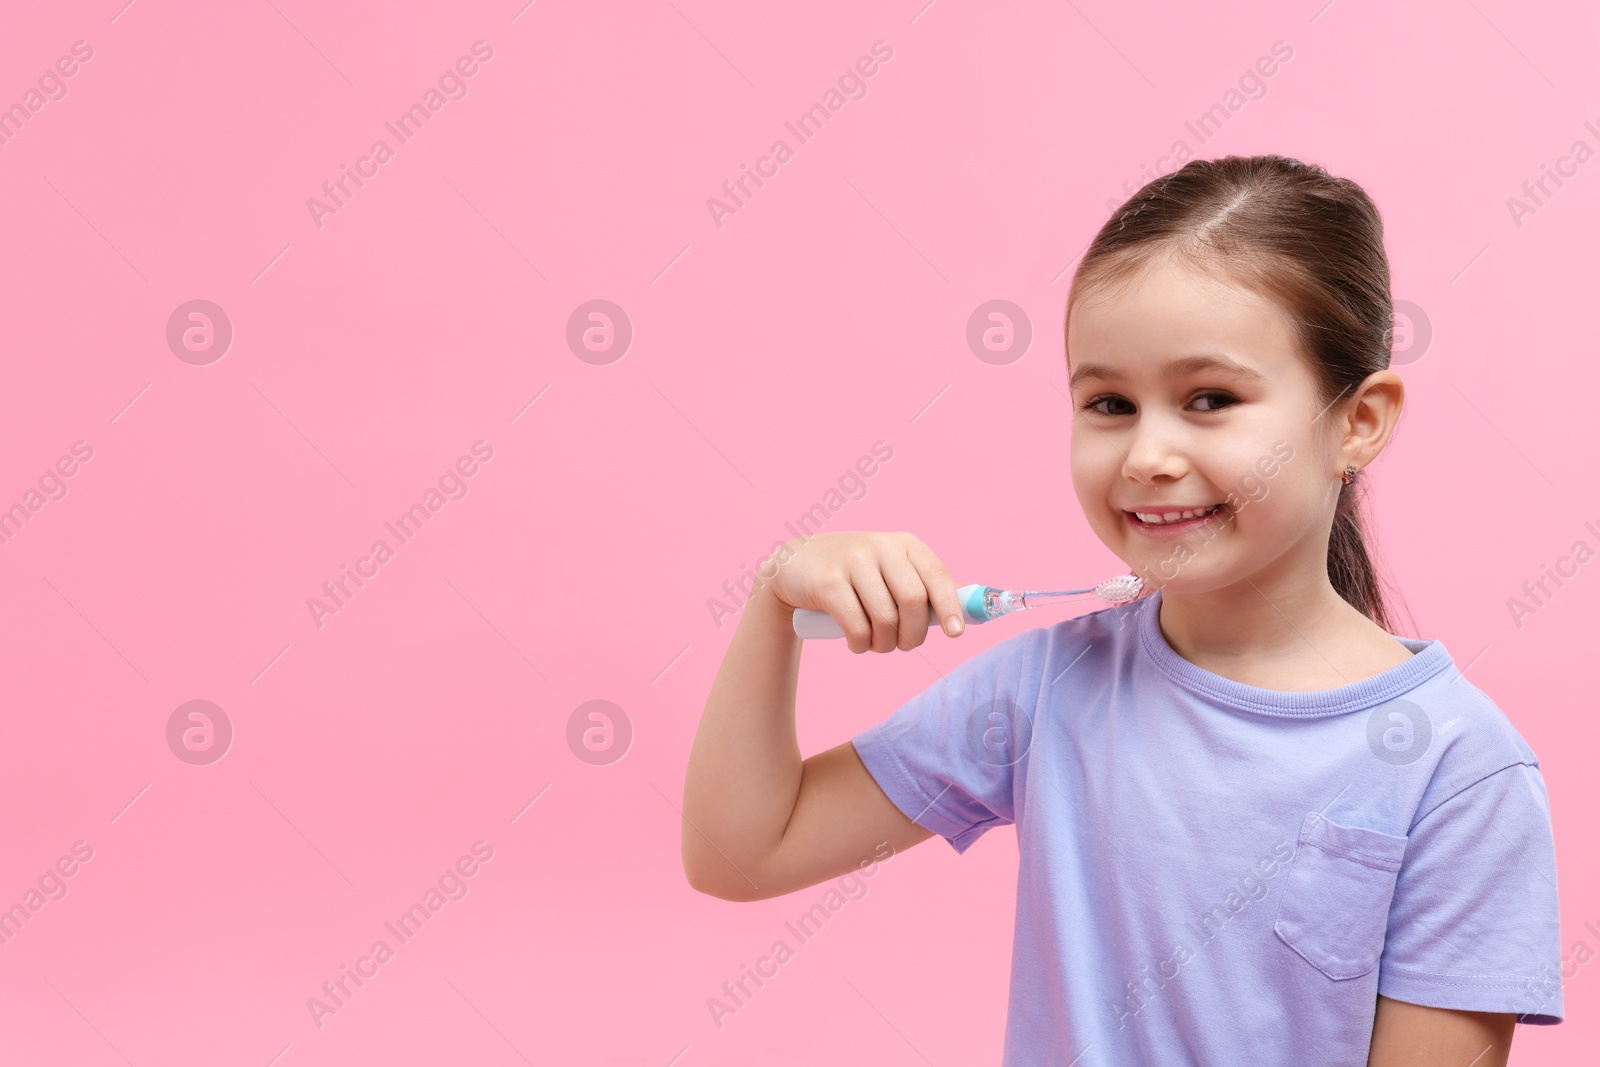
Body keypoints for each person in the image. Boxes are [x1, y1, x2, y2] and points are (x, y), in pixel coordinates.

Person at [681, 154, 1564, 1066]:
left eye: (1209, 399)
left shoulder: (1460, 773)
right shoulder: (1048, 688)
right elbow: (742, 853)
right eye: (1108, 402)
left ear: (1360, 421)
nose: (1147, 453)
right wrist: (776, 597)